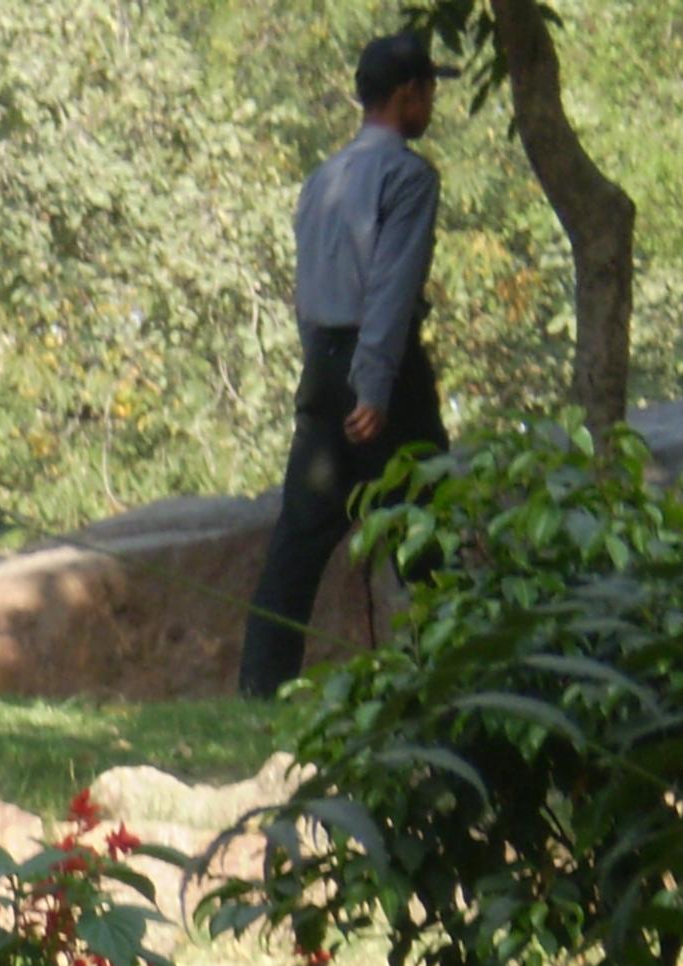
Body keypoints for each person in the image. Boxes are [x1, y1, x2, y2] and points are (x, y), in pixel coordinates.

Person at [237, 29, 456, 700]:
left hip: (323, 363)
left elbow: (308, 290)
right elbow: (391, 287)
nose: (432, 105)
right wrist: (374, 386)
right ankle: (452, 676)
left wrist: (326, 373)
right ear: (406, 93)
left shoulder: (322, 180)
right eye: (429, 91)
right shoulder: (410, 177)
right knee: (424, 522)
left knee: (299, 537)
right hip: (382, 368)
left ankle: (260, 686)